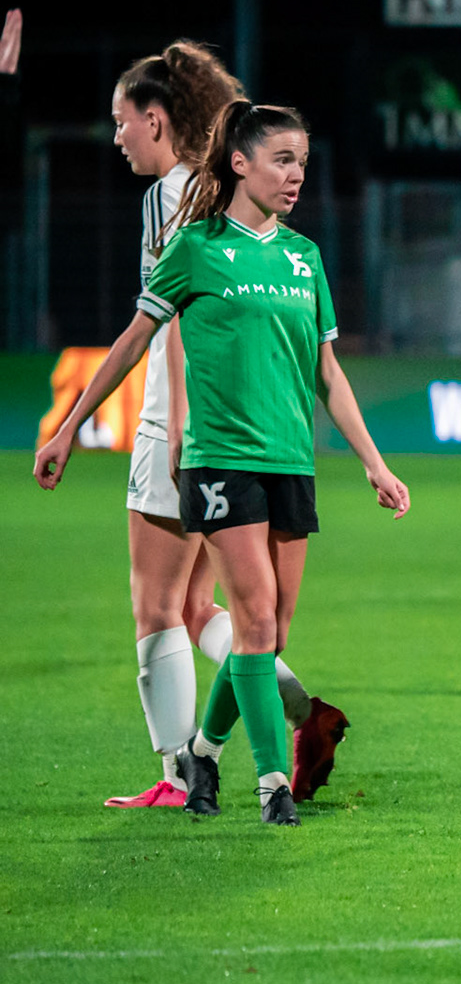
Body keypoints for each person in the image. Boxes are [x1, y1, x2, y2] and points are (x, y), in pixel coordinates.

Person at [34, 101, 410, 826]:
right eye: (282, 160)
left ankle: (202, 752)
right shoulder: (197, 247)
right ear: (239, 162)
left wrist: (374, 463)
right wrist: (68, 429)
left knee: (270, 633)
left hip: (288, 462)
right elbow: (135, 341)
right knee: (256, 622)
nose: (296, 175)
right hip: (218, 463)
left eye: (301, 161)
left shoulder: (305, 257)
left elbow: (327, 373)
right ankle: (272, 786)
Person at [100, 42, 346, 811]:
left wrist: (168, 429)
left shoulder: (174, 203)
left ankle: (184, 769)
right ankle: (279, 720)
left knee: (161, 607)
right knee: (229, 609)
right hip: (251, 428)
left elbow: (164, 326)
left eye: (122, 122)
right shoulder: (217, 198)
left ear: (157, 118)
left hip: (194, 423)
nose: (117, 138)